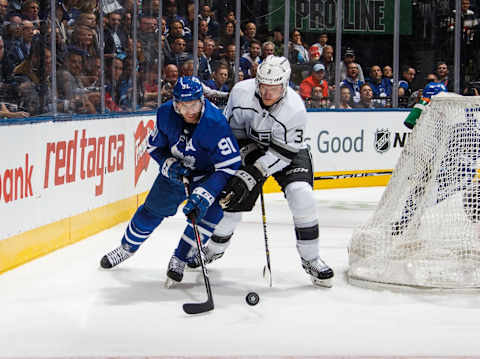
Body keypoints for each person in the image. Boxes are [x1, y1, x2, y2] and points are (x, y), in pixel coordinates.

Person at [187, 55, 335, 287]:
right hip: (250, 146)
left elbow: (283, 155)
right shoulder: (240, 92)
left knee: (301, 194)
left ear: (284, 85)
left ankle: (311, 259)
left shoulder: (295, 108)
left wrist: (255, 173)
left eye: (273, 89)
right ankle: (213, 249)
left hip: (287, 151)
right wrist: (246, 161)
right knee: (231, 198)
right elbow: (231, 133)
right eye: (263, 86)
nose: (267, 94)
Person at [100, 76, 242, 285]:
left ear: (201, 100)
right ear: (175, 103)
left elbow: (229, 165)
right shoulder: (166, 113)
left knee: (209, 214)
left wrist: (206, 193)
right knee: (151, 211)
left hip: (205, 175)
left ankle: (180, 258)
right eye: (181, 105)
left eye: (192, 104)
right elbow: (155, 147)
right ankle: (126, 248)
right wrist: (168, 165)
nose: (188, 111)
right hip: (175, 173)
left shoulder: (215, 123)